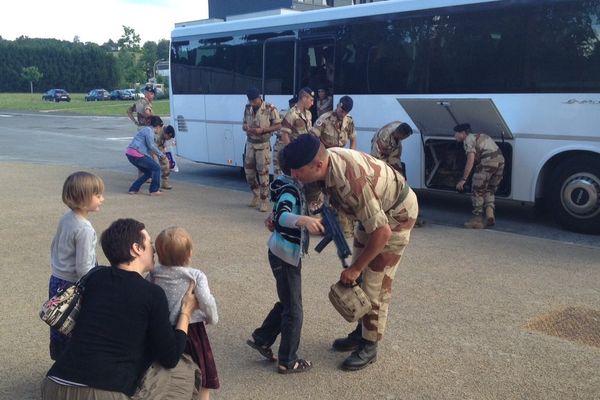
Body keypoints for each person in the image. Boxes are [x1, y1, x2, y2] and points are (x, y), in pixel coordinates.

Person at [285, 135, 418, 371]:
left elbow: (382, 232)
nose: (294, 175)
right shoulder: (324, 166)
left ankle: (370, 345)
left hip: (396, 215)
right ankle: (361, 331)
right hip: (372, 215)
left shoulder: (352, 181)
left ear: (317, 166)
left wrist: (356, 269)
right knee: (360, 275)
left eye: (297, 171)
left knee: (374, 282)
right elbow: (322, 199)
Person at [42, 218, 200, 399]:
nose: (154, 249)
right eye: (149, 244)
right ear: (136, 248)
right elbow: (170, 357)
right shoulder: (152, 293)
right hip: (103, 392)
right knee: (183, 367)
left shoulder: (95, 277)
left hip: (53, 385)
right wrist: (186, 312)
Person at [247, 148, 324, 374]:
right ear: (296, 169)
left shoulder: (286, 184)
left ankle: (262, 338)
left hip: (282, 252)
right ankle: (288, 360)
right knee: (294, 309)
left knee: (288, 301)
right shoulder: (290, 188)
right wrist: (303, 220)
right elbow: (282, 216)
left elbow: (277, 217)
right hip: (284, 255)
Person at [149, 227, 220, 400]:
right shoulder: (195, 275)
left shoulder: (153, 275)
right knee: (203, 379)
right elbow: (205, 299)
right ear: (189, 253)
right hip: (193, 331)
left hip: (164, 330)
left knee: (169, 375)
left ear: (158, 254)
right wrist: (211, 318)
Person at [48, 171, 105, 360]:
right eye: (97, 195)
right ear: (82, 198)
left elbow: (54, 245)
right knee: (74, 326)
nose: (102, 199)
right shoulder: (85, 229)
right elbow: (84, 267)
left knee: (59, 323)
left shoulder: (67, 217)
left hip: (57, 279)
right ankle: (71, 366)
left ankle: (59, 359)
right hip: (73, 284)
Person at [310, 95, 357, 237]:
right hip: (326, 159)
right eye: (340, 109)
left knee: (342, 192)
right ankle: (321, 225)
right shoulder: (324, 119)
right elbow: (313, 138)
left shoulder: (349, 121)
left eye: (344, 112)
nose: (341, 113)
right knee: (325, 191)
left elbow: (353, 138)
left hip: (341, 159)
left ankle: (342, 226)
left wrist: (351, 155)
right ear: (337, 106)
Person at [453, 123, 505, 228]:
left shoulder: (468, 140)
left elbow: (470, 159)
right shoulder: (482, 136)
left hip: (488, 162)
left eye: (456, 134)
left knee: (477, 190)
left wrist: (463, 179)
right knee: (489, 189)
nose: (454, 136)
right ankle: (490, 215)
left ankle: (477, 220)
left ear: (463, 133)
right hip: (501, 162)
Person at [242, 87, 282, 212]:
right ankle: (256, 194)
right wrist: (245, 127)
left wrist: (263, 130)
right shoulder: (247, 108)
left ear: (259, 98)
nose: (252, 103)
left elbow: (278, 125)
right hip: (250, 144)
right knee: (249, 173)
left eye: (254, 101)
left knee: (263, 173)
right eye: (250, 101)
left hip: (263, 145)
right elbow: (244, 122)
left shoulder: (270, 108)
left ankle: (264, 200)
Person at [125, 115, 167, 196]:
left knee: (149, 172)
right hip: (136, 154)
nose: (160, 130)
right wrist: (162, 155)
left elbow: (150, 149)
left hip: (130, 153)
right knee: (156, 168)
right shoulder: (149, 131)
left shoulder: (146, 130)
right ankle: (154, 190)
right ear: (158, 126)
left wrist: (155, 158)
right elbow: (151, 146)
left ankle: (133, 189)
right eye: (161, 128)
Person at [273, 96, 297, 176]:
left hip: (280, 143)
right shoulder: (296, 114)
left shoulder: (282, 112)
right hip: (288, 143)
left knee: (278, 169)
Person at [155, 125, 176, 190]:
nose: (169, 139)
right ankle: (154, 184)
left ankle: (164, 183)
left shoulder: (165, 133)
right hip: (152, 149)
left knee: (166, 165)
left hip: (160, 149)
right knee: (154, 166)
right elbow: (155, 147)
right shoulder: (158, 135)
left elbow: (164, 146)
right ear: (165, 134)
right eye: (169, 137)